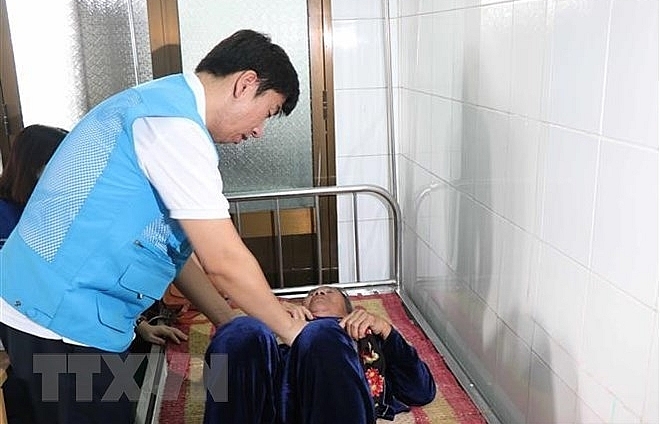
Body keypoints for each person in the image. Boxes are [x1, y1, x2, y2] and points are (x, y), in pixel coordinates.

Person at [0, 29, 307, 424]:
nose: (258, 131)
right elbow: (224, 260)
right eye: (267, 112)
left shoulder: (160, 108)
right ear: (245, 84)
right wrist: (295, 337)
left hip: (47, 309)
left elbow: (170, 253)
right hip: (59, 318)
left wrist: (228, 319)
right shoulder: (172, 127)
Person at [203, 286, 437, 424]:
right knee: (235, 331)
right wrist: (270, 318)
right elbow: (218, 376)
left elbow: (421, 391)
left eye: (329, 291)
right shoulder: (270, 330)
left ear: (350, 310)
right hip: (266, 408)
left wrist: (386, 330)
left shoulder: (366, 335)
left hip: (330, 408)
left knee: (322, 333)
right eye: (312, 293)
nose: (320, 292)